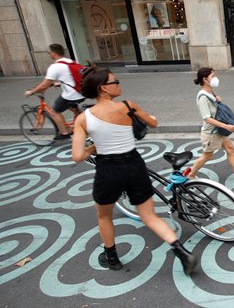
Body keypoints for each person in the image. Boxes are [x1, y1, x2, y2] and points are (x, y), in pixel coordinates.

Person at [70, 67, 197, 275]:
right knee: (149, 215)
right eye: (114, 81)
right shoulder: (128, 106)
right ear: (103, 88)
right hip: (134, 165)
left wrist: (94, 146)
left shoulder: (83, 119)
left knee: (104, 216)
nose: (119, 83)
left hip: (108, 170)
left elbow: (77, 156)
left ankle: (112, 258)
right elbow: (153, 123)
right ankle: (181, 251)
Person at [185, 67, 234, 181]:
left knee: (230, 148)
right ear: (205, 79)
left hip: (218, 131)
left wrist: (217, 100)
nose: (215, 78)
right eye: (212, 76)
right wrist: (226, 126)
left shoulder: (209, 93)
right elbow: (207, 118)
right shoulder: (202, 97)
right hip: (211, 133)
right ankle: (191, 174)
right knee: (208, 155)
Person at [24, 43, 85, 140]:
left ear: (53, 53)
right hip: (82, 92)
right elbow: (71, 77)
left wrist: (31, 92)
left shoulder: (55, 67)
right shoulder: (70, 62)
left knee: (54, 112)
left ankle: (64, 133)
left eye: (49, 53)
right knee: (73, 108)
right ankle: (80, 122)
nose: (49, 55)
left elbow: (44, 84)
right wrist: (59, 83)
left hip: (71, 95)